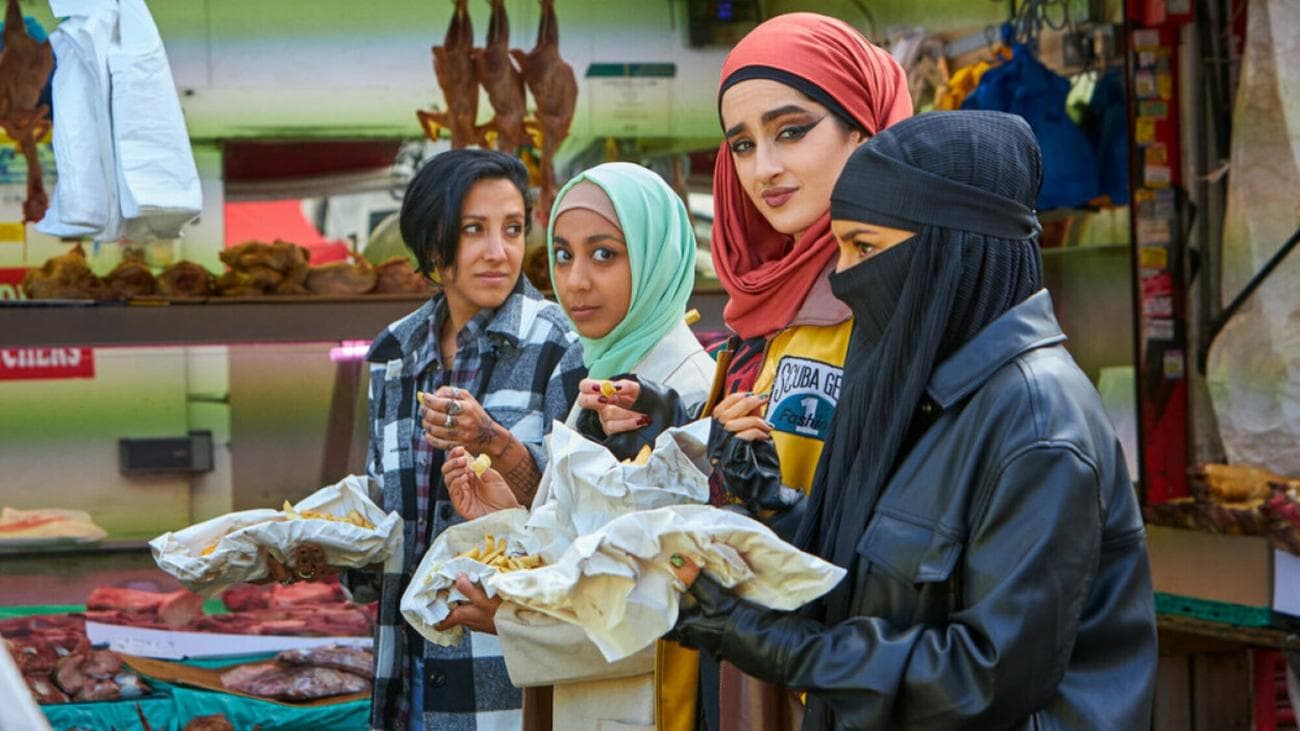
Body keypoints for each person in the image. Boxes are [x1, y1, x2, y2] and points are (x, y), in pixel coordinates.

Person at [664, 111, 1158, 729]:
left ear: (947, 251)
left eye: (865, 247)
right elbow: (884, 578)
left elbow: (980, 678)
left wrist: (763, 640)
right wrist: (771, 503)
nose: (844, 277)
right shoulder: (928, 393)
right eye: (841, 247)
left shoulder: (1038, 424)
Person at [585, 12, 911, 731]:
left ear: (863, 129)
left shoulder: (897, 305)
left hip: (834, 673)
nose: (764, 168)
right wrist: (679, 430)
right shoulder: (760, 306)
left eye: (791, 131)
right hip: (731, 657)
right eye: (741, 144)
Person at [438, 162, 715, 730]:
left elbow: (678, 608)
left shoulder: (689, 392)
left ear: (657, 257)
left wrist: (517, 620)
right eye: (563, 255)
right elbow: (583, 547)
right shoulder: (606, 372)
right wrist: (513, 517)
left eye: (604, 254)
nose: (576, 281)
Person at [350, 148, 585, 730]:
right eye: (474, 229)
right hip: (406, 671)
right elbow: (386, 513)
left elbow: (574, 521)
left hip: (503, 682)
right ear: (433, 243)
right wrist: (323, 552)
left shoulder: (561, 347)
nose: (498, 251)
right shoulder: (395, 353)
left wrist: (496, 443)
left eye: (513, 229)